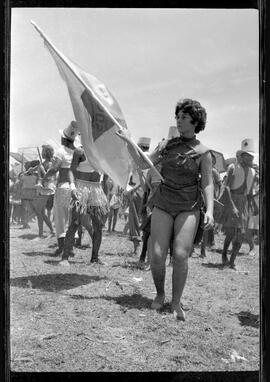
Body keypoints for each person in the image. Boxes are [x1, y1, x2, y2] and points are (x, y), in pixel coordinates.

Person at [116, 98, 214, 321]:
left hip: (188, 207)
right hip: (163, 202)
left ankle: (176, 301)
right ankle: (160, 294)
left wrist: (210, 211)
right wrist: (128, 141)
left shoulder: (204, 153)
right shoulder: (166, 145)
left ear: (195, 121)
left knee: (180, 255)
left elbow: (208, 183)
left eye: (184, 117)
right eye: (177, 117)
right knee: (157, 255)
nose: (179, 121)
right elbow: (143, 164)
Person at [60, 145, 109, 266]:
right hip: (81, 188)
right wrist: (72, 188)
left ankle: (95, 258)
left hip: (96, 189)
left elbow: (106, 175)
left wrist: (105, 194)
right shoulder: (80, 151)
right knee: (75, 222)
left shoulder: (103, 150)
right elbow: (71, 170)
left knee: (98, 224)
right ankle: (65, 258)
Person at [219, 139, 256, 269]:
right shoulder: (233, 168)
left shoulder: (253, 172)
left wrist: (254, 207)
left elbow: (250, 192)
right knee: (230, 233)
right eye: (248, 155)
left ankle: (232, 261)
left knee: (241, 233)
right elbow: (227, 187)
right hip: (232, 200)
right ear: (242, 156)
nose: (251, 158)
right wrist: (233, 206)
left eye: (252, 155)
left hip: (244, 203)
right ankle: (224, 254)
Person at [43, 121, 80, 255]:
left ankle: (62, 248)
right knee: (72, 218)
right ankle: (70, 248)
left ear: (64, 138)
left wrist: (45, 176)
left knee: (60, 218)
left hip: (63, 186)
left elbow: (55, 168)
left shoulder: (61, 151)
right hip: (75, 187)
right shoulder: (76, 152)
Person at [125, 137, 151, 255]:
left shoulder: (139, 158)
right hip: (150, 191)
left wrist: (132, 190)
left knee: (134, 218)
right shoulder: (152, 157)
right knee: (146, 219)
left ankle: (137, 246)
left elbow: (141, 178)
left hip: (138, 189)